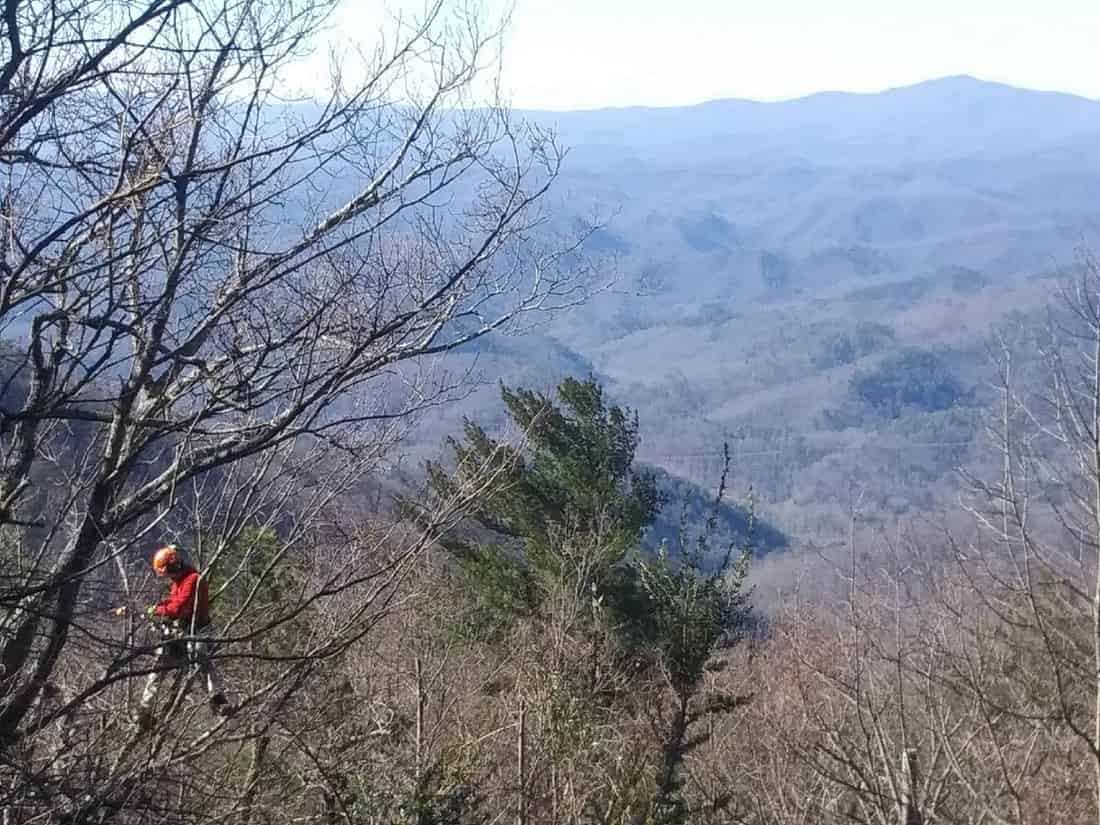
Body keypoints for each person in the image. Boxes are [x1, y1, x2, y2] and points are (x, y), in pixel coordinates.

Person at [135, 544, 230, 730]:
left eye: (169, 572)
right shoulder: (179, 582)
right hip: (180, 632)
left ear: (175, 566)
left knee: (203, 663)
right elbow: (174, 603)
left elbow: (179, 608)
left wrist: (158, 610)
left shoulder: (193, 579)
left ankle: (219, 702)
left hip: (196, 631)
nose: (169, 577)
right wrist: (159, 607)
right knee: (158, 668)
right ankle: (144, 712)